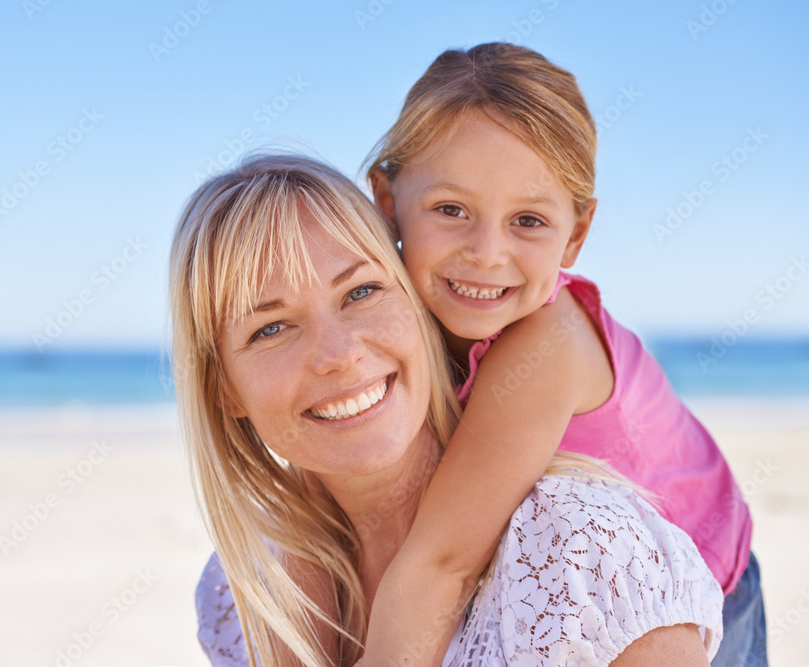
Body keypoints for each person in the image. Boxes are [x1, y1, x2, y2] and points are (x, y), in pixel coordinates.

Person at [171, 154, 723, 665]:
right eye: (270, 328)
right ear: (225, 390)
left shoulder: (581, 552)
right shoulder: (235, 594)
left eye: (361, 292)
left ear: (416, 302)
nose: (338, 355)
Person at [360, 43, 765, 666]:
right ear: (388, 201)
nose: (486, 253)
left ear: (576, 233)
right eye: (450, 210)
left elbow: (442, 561)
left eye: (527, 221)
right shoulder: (396, 315)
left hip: (697, 589)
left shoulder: (550, 345)